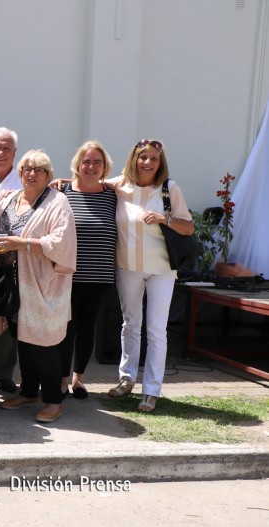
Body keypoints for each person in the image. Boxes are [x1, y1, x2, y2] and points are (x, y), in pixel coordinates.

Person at [106, 139, 194, 412]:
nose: (147, 163)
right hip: (128, 266)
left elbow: (188, 227)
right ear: (134, 159)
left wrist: (164, 219)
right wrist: (60, 182)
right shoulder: (120, 185)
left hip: (162, 269)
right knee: (130, 323)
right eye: (143, 157)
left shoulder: (169, 188)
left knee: (156, 330)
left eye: (153, 159)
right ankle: (127, 378)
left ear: (160, 163)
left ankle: (152, 390)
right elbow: (90, 181)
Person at [0, 150, 76, 423]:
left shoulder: (58, 201)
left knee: (44, 343)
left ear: (48, 175)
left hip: (44, 284)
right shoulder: (11, 199)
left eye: (38, 169)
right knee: (23, 340)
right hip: (13, 284)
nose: (31, 173)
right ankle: (29, 391)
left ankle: (54, 400)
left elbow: (61, 241)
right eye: (26, 168)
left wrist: (22, 244)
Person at [55, 141, 118, 400]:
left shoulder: (113, 195)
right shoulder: (62, 192)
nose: (91, 167)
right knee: (66, 327)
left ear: (105, 167)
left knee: (87, 326)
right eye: (86, 161)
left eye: (97, 162)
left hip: (99, 276)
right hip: (67, 274)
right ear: (77, 165)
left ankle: (79, 378)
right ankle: (62, 379)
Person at [0, 126, 23, 395]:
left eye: (6, 148)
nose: (0, 153)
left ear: (14, 153)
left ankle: (2, 373)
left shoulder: (24, 180)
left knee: (7, 314)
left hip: (9, 261)